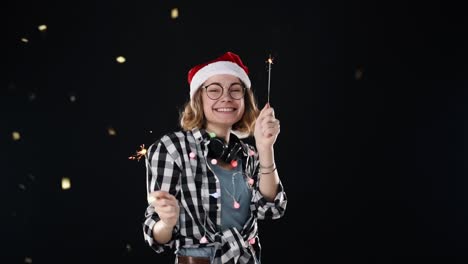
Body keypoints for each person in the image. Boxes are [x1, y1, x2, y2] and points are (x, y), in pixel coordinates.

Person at [142, 51, 287, 264]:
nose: (226, 97)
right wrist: (166, 221)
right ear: (198, 98)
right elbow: (156, 236)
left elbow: (271, 209)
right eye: (214, 90)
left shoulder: (249, 154)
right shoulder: (171, 148)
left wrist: (266, 149)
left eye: (235, 90)